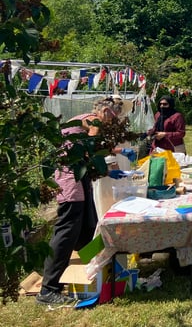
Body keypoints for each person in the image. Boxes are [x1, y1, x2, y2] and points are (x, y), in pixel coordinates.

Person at [37, 98, 124, 306]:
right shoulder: (93, 122)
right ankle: (48, 289)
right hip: (69, 178)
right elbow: (92, 150)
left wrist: (111, 161)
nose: (114, 122)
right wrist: (109, 162)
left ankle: (94, 267)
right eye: (114, 117)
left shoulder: (84, 120)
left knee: (88, 224)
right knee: (67, 230)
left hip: (78, 175)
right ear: (104, 111)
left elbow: (91, 151)